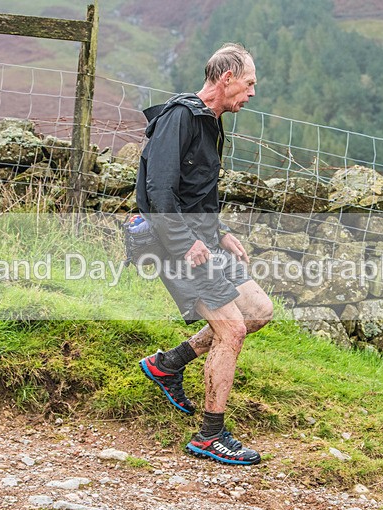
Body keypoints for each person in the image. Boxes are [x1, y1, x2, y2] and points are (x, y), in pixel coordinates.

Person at [135, 43, 274, 466]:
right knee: (231, 331)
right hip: (173, 245)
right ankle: (210, 436)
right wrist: (186, 243)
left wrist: (221, 232)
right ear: (227, 78)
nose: (251, 94)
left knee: (258, 310)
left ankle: (168, 364)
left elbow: (197, 191)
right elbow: (157, 192)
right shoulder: (180, 117)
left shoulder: (210, 122)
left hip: (202, 241)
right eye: (249, 84)